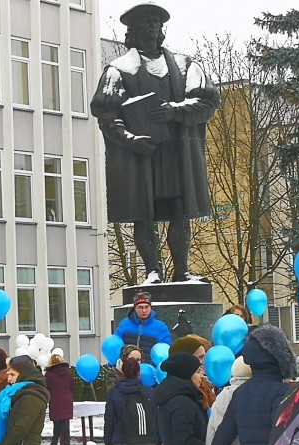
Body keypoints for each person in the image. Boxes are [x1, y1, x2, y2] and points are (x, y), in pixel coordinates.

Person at [90, 2, 219, 282]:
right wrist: (129, 139)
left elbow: (207, 102)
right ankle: (152, 271)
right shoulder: (117, 70)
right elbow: (106, 113)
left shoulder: (185, 66)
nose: (151, 25)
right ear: (132, 31)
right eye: (144, 21)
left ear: (161, 29)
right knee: (143, 213)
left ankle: (182, 271)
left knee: (179, 210)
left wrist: (175, 111)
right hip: (141, 155)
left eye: (155, 21)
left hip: (176, 153)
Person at [113, 292, 172, 360]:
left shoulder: (160, 327)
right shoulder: (124, 324)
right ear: (135, 308)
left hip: (150, 365)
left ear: (150, 308)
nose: (144, 310)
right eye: (140, 307)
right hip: (128, 365)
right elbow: (116, 345)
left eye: (146, 307)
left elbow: (167, 349)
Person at [44, 354, 75, 445]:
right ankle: (65, 442)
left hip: (55, 399)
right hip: (67, 399)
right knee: (65, 422)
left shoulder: (49, 374)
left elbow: (46, 387)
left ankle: (56, 443)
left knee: (57, 422)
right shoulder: (68, 372)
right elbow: (72, 385)